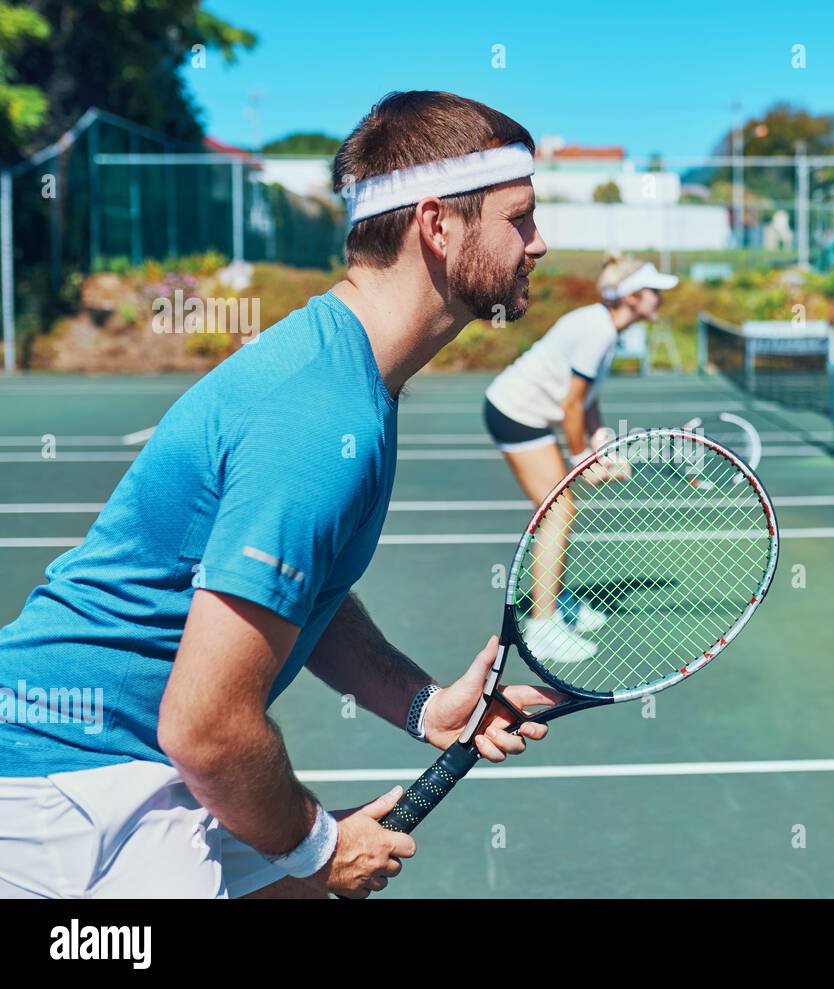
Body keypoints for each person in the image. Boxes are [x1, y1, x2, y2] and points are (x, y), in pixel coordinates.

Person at [0, 91, 557, 899]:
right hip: (64, 792)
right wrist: (318, 848)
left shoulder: (346, 377)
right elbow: (207, 724)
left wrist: (423, 706)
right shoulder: (321, 414)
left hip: (106, 773)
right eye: (522, 217)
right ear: (438, 226)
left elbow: (303, 592)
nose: (540, 244)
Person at [482, 255, 677, 661]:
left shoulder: (605, 326)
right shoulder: (598, 332)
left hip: (528, 413)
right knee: (559, 510)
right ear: (633, 296)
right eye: (654, 292)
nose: (660, 299)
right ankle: (542, 625)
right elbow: (571, 405)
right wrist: (582, 458)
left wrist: (599, 441)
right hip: (517, 413)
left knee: (557, 509)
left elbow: (586, 399)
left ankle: (552, 599)